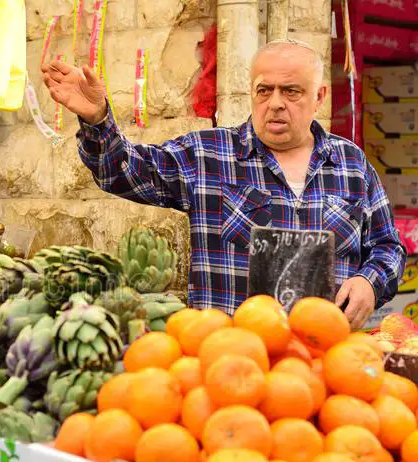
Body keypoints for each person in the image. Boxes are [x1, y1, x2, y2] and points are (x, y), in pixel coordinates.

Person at [42, 39, 406, 329]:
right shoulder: (207, 156)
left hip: (324, 364)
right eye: (264, 91)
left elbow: (387, 247)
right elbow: (123, 172)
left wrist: (370, 283)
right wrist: (97, 118)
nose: (275, 104)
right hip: (229, 361)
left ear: (319, 97)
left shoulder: (351, 164)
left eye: (291, 91)